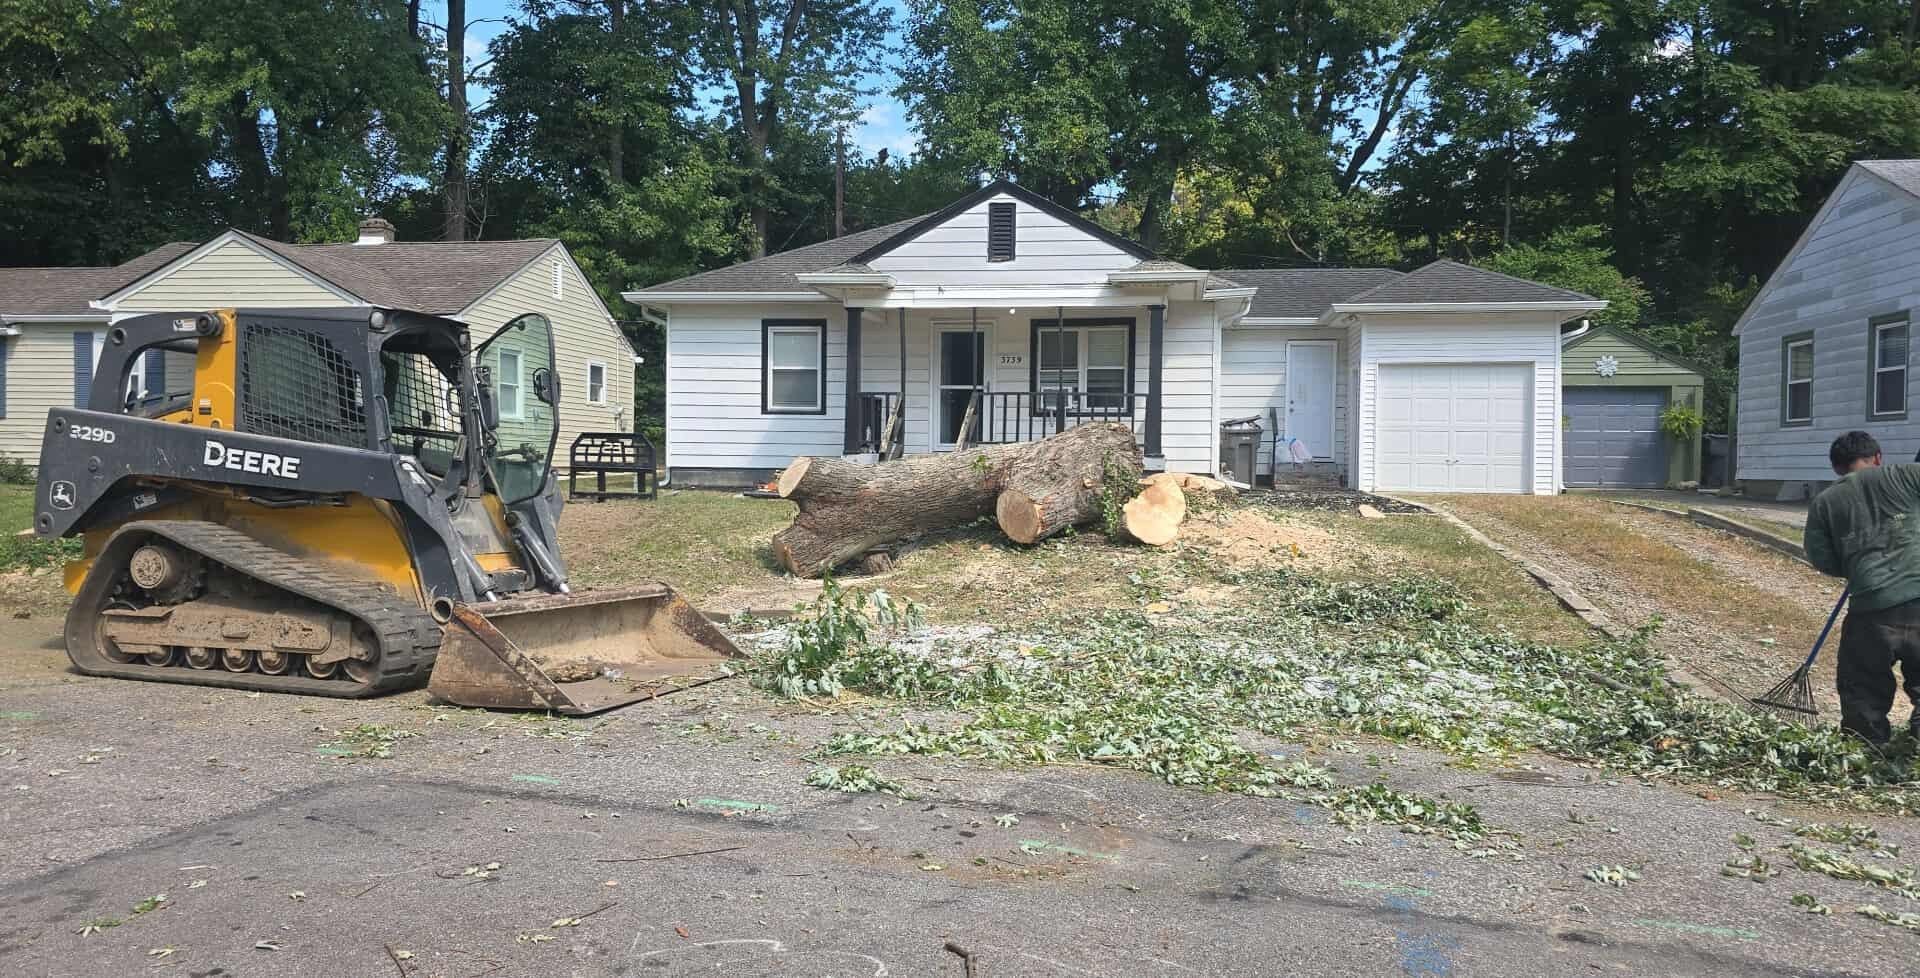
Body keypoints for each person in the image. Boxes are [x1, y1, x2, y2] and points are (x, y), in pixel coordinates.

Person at [1804, 431, 1920, 745]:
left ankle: (1867, 752)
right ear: (1878, 457)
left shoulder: (1825, 501)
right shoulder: (1907, 476)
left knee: (1863, 689)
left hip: (1871, 607)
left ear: (1837, 468)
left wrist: (1856, 567)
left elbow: (1822, 559)